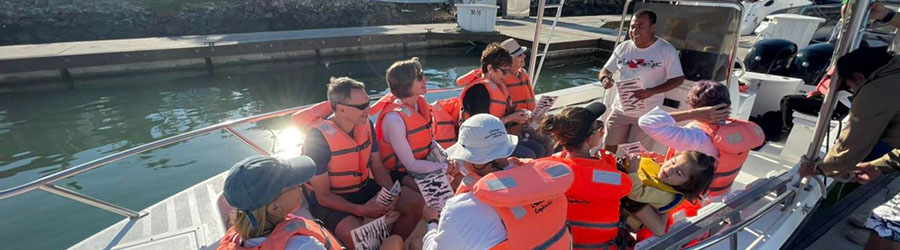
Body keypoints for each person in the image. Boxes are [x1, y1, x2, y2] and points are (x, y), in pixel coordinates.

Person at [291, 77, 419, 249]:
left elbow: (378, 166)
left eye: (368, 103)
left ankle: (393, 243)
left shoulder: (366, 125)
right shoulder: (317, 139)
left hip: (363, 187)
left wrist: (391, 192)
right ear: (341, 110)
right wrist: (361, 210)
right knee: (358, 237)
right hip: (332, 199)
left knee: (416, 204)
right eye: (361, 107)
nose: (369, 110)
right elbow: (323, 196)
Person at [422, 114, 574, 250]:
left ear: (472, 162)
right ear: (508, 148)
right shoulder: (544, 183)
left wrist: (432, 223)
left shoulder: (460, 209)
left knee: (416, 242)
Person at [798, 47, 900, 250]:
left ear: (860, 77)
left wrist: (820, 168)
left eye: (851, 88)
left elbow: (854, 141)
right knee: (886, 230)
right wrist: (881, 164)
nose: (853, 93)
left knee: (885, 232)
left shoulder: (877, 90)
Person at [218, 155, 405, 250]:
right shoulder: (304, 245)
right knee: (395, 242)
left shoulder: (240, 234)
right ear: (274, 207)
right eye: (293, 185)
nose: (302, 186)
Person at [639, 81, 764, 201]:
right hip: (720, 195)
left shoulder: (695, 137)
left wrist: (691, 114)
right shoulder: (737, 131)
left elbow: (646, 122)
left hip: (693, 198)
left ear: (695, 108)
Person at [540, 102, 633, 250]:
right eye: (598, 127)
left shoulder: (543, 168)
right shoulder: (616, 179)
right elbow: (626, 186)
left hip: (559, 245)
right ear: (590, 139)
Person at [598, 9, 686, 154]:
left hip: (647, 114)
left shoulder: (666, 50)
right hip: (619, 110)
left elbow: (678, 79)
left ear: (653, 28)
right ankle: (608, 174)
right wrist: (604, 79)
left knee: (636, 155)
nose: (634, 30)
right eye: (632, 26)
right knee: (608, 150)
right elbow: (605, 70)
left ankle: (631, 176)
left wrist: (651, 92)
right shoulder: (623, 47)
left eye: (640, 26)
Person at [456, 42, 547, 158]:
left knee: (539, 148)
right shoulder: (478, 91)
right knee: (530, 154)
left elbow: (499, 119)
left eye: (508, 71)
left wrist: (518, 117)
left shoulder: (498, 87)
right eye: (504, 71)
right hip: (480, 148)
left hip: (499, 140)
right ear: (490, 68)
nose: (506, 75)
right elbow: (480, 129)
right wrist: (511, 118)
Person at [621, 151, 716, 238]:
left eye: (679, 173)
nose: (670, 169)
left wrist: (633, 172)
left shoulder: (666, 195)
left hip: (623, 216)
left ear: (687, 185)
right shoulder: (664, 176)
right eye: (673, 162)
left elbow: (635, 193)